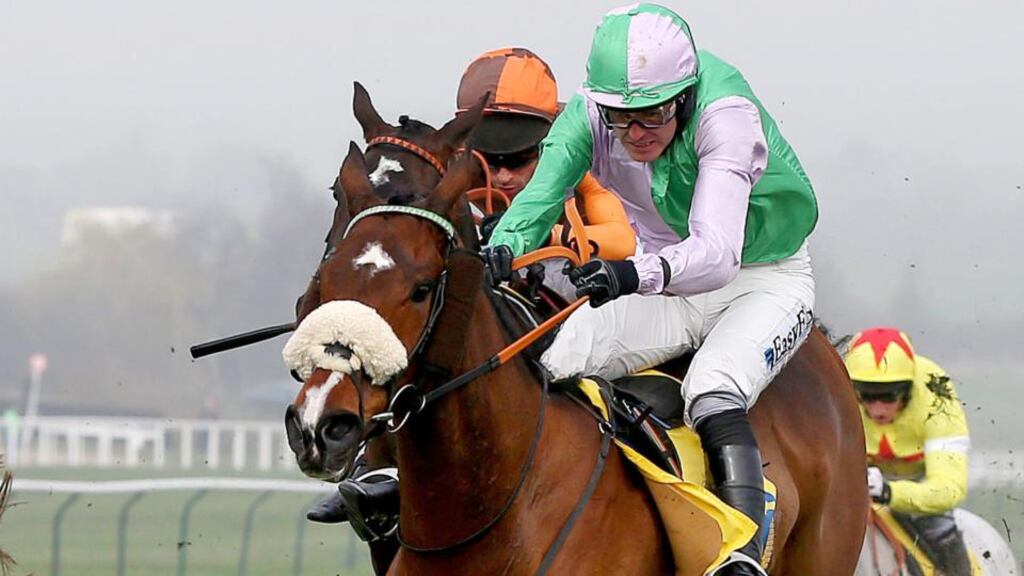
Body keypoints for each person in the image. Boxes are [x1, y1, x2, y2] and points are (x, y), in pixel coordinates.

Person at [482, 4, 818, 574]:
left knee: (712, 386)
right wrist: (502, 247)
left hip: (764, 278)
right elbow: (539, 197)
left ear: (684, 97)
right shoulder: (589, 115)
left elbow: (716, 255)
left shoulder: (725, 117)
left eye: (652, 115)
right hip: (666, 276)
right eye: (619, 117)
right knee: (554, 359)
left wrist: (631, 275)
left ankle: (741, 557)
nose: (634, 134)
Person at [306, 47, 637, 532]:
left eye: (519, 159)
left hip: (583, 303)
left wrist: (538, 233)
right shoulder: (449, 174)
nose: (501, 175)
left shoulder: (585, 161)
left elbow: (624, 240)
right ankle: (377, 466)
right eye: (491, 158)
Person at [844, 327, 971, 575]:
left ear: (908, 388)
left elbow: (950, 488)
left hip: (921, 482)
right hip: (862, 481)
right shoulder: (840, 391)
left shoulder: (937, 394)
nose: (878, 410)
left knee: (940, 529)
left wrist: (890, 491)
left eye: (889, 396)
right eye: (867, 397)